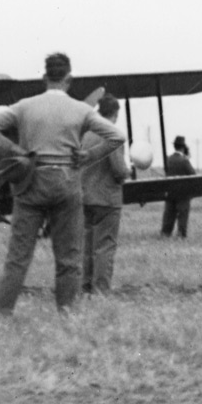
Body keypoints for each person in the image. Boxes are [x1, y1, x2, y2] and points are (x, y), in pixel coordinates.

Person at [0, 52, 125, 314]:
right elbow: (116, 136)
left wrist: (16, 151)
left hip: (30, 183)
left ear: (44, 77)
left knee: (18, 258)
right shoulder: (82, 109)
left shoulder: (24, 106)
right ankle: (67, 315)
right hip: (67, 183)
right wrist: (89, 156)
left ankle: (0, 313)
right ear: (70, 78)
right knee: (69, 258)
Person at [81, 94, 130, 295]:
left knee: (87, 245)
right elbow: (119, 170)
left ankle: (85, 286)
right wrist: (128, 172)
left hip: (85, 196)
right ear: (116, 114)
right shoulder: (113, 134)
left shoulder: (86, 135)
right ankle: (101, 290)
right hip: (107, 198)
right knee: (104, 247)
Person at [160, 135, 196, 238]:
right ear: (183, 147)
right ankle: (181, 235)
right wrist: (188, 158)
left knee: (168, 214)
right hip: (183, 193)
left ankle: (165, 233)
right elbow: (193, 174)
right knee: (182, 215)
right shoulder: (184, 161)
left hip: (170, 192)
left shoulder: (168, 159)